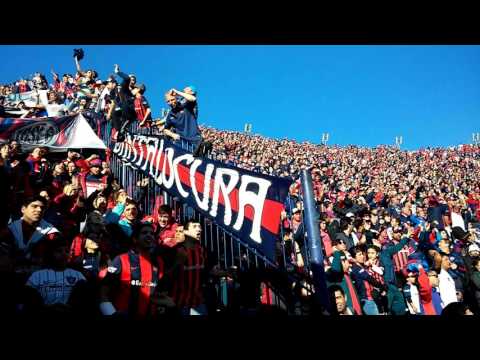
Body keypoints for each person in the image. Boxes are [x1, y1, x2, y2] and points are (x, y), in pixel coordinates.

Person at [99, 222, 165, 317]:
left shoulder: (159, 262)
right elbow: (104, 292)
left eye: (151, 233)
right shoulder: (121, 259)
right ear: (135, 239)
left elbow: (159, 290)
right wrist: (111, 314)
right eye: (144, 233)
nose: (149, 235)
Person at [169, 219, 208, 315]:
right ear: (186, 232)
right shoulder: (175, 251)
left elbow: (207, 270)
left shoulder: (203, 250)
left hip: (198, 301)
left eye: (200, 227)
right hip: (179, 303)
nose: (199, 230)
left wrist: (225, 273)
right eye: (195, 227)